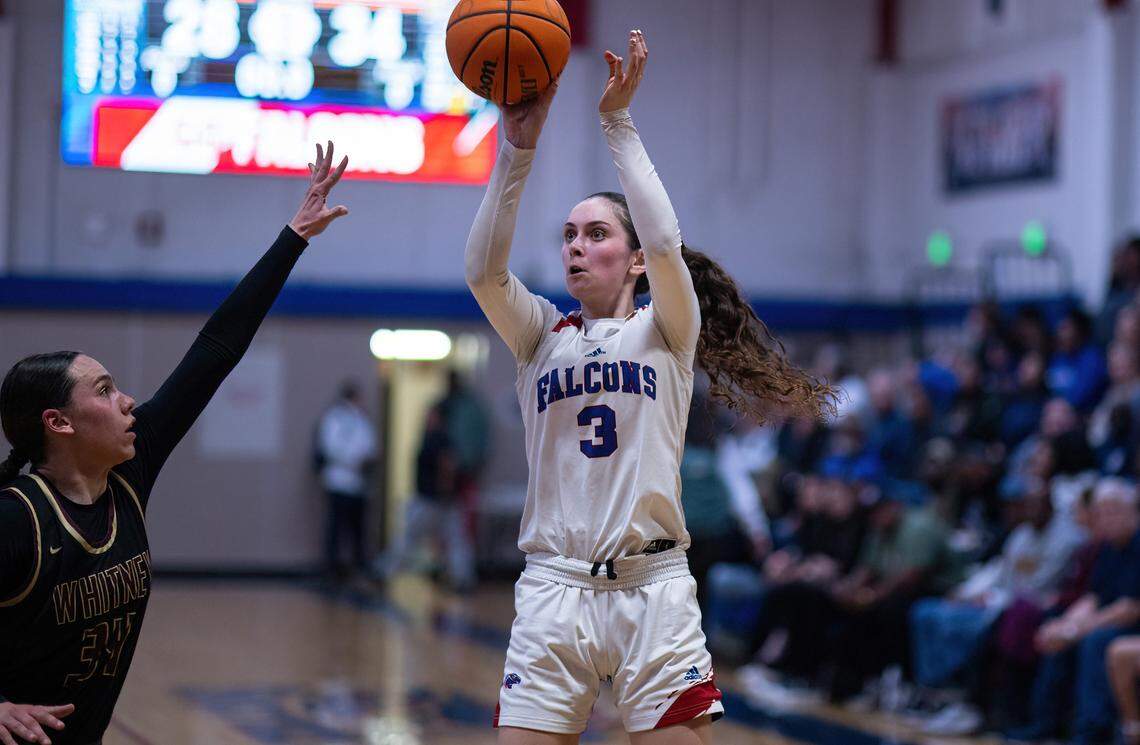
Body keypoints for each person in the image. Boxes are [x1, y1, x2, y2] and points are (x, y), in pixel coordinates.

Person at [464, 29, 834, 744]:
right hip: (553, 589)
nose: (576, 245)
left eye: (596, 233)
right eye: (569, 235)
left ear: (634, 260)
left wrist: (618, 124)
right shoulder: (540, 334)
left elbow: (667, 243)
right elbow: (483, 272)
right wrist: (517, 151)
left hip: (651, 589)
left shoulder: (666, 329)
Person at [0, 143, 349, 745]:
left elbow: (216, 348)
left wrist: (295, 236)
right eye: (105, 391)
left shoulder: (130, 475)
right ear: (58, 423)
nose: (127, 401)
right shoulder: (17, 518)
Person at [1008, 477, 1140, 744]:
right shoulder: (1108, 547)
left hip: (1131, 622)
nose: (1107, 519)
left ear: (1134, 511)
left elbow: (1130, 608)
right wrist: (1065, 625)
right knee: (1051, 627)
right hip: (1110, 618)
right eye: (1102, 513)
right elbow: (1094, 597)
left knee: (1094, 641)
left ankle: (1092, 733)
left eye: (1114, 511)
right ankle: (1044, 725)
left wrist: (1074, 630)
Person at [314, 380, 378, 578]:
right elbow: (330, 447)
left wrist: (365, 460)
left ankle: (357, 566)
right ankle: (332, 567)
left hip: (357, 483)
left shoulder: (361, 419)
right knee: (336, 527)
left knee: (357, 528)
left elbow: (370, 446)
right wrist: (354, 461)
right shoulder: (335, 419)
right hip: (339, 481)